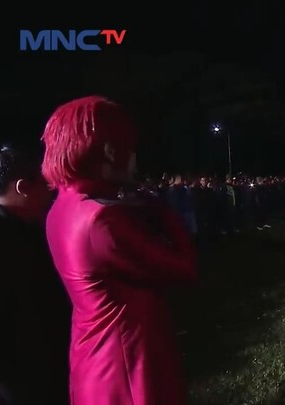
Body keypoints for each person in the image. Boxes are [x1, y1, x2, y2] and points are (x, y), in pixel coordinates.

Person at [41, 96, 197, 405]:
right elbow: (184, 268)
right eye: (130, 148)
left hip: (94, 353)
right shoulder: (103, 219)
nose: (135, 159)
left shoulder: (64, 205)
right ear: (111, 151)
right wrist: (165, 214)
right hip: (127, 364)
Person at [0, 138, 70, 405]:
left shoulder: (21, 228)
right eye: (45, 186)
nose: (50, 194)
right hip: (11, 387)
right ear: (23, 187)